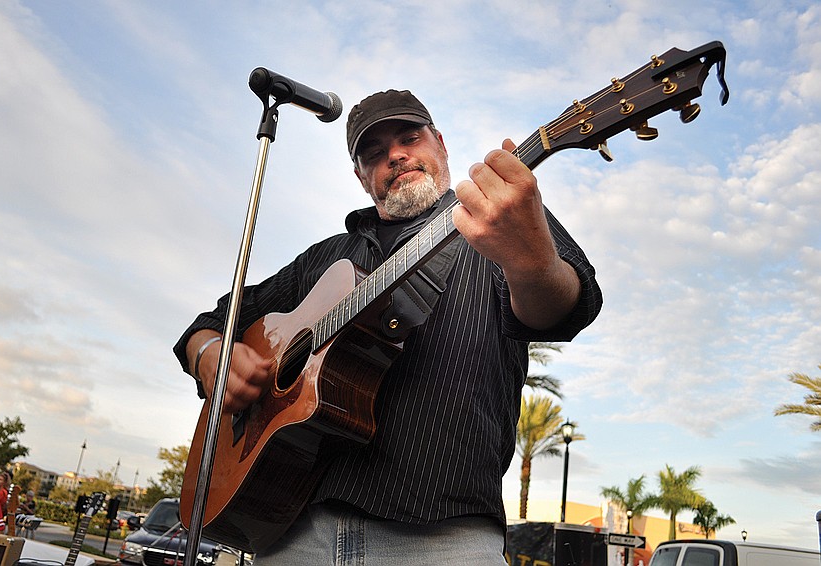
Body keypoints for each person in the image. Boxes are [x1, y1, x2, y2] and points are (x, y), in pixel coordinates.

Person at [173, 89, 602, 564]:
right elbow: (215, 321)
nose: (395, 156)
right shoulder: (324, 259)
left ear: (440, 143)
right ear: (361, 176)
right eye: (373, 153)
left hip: (444, 539)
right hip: (293, 534)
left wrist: (531, 261)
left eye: (409, 138)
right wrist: (210, 353)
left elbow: (570, 305)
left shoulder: (500, 219)